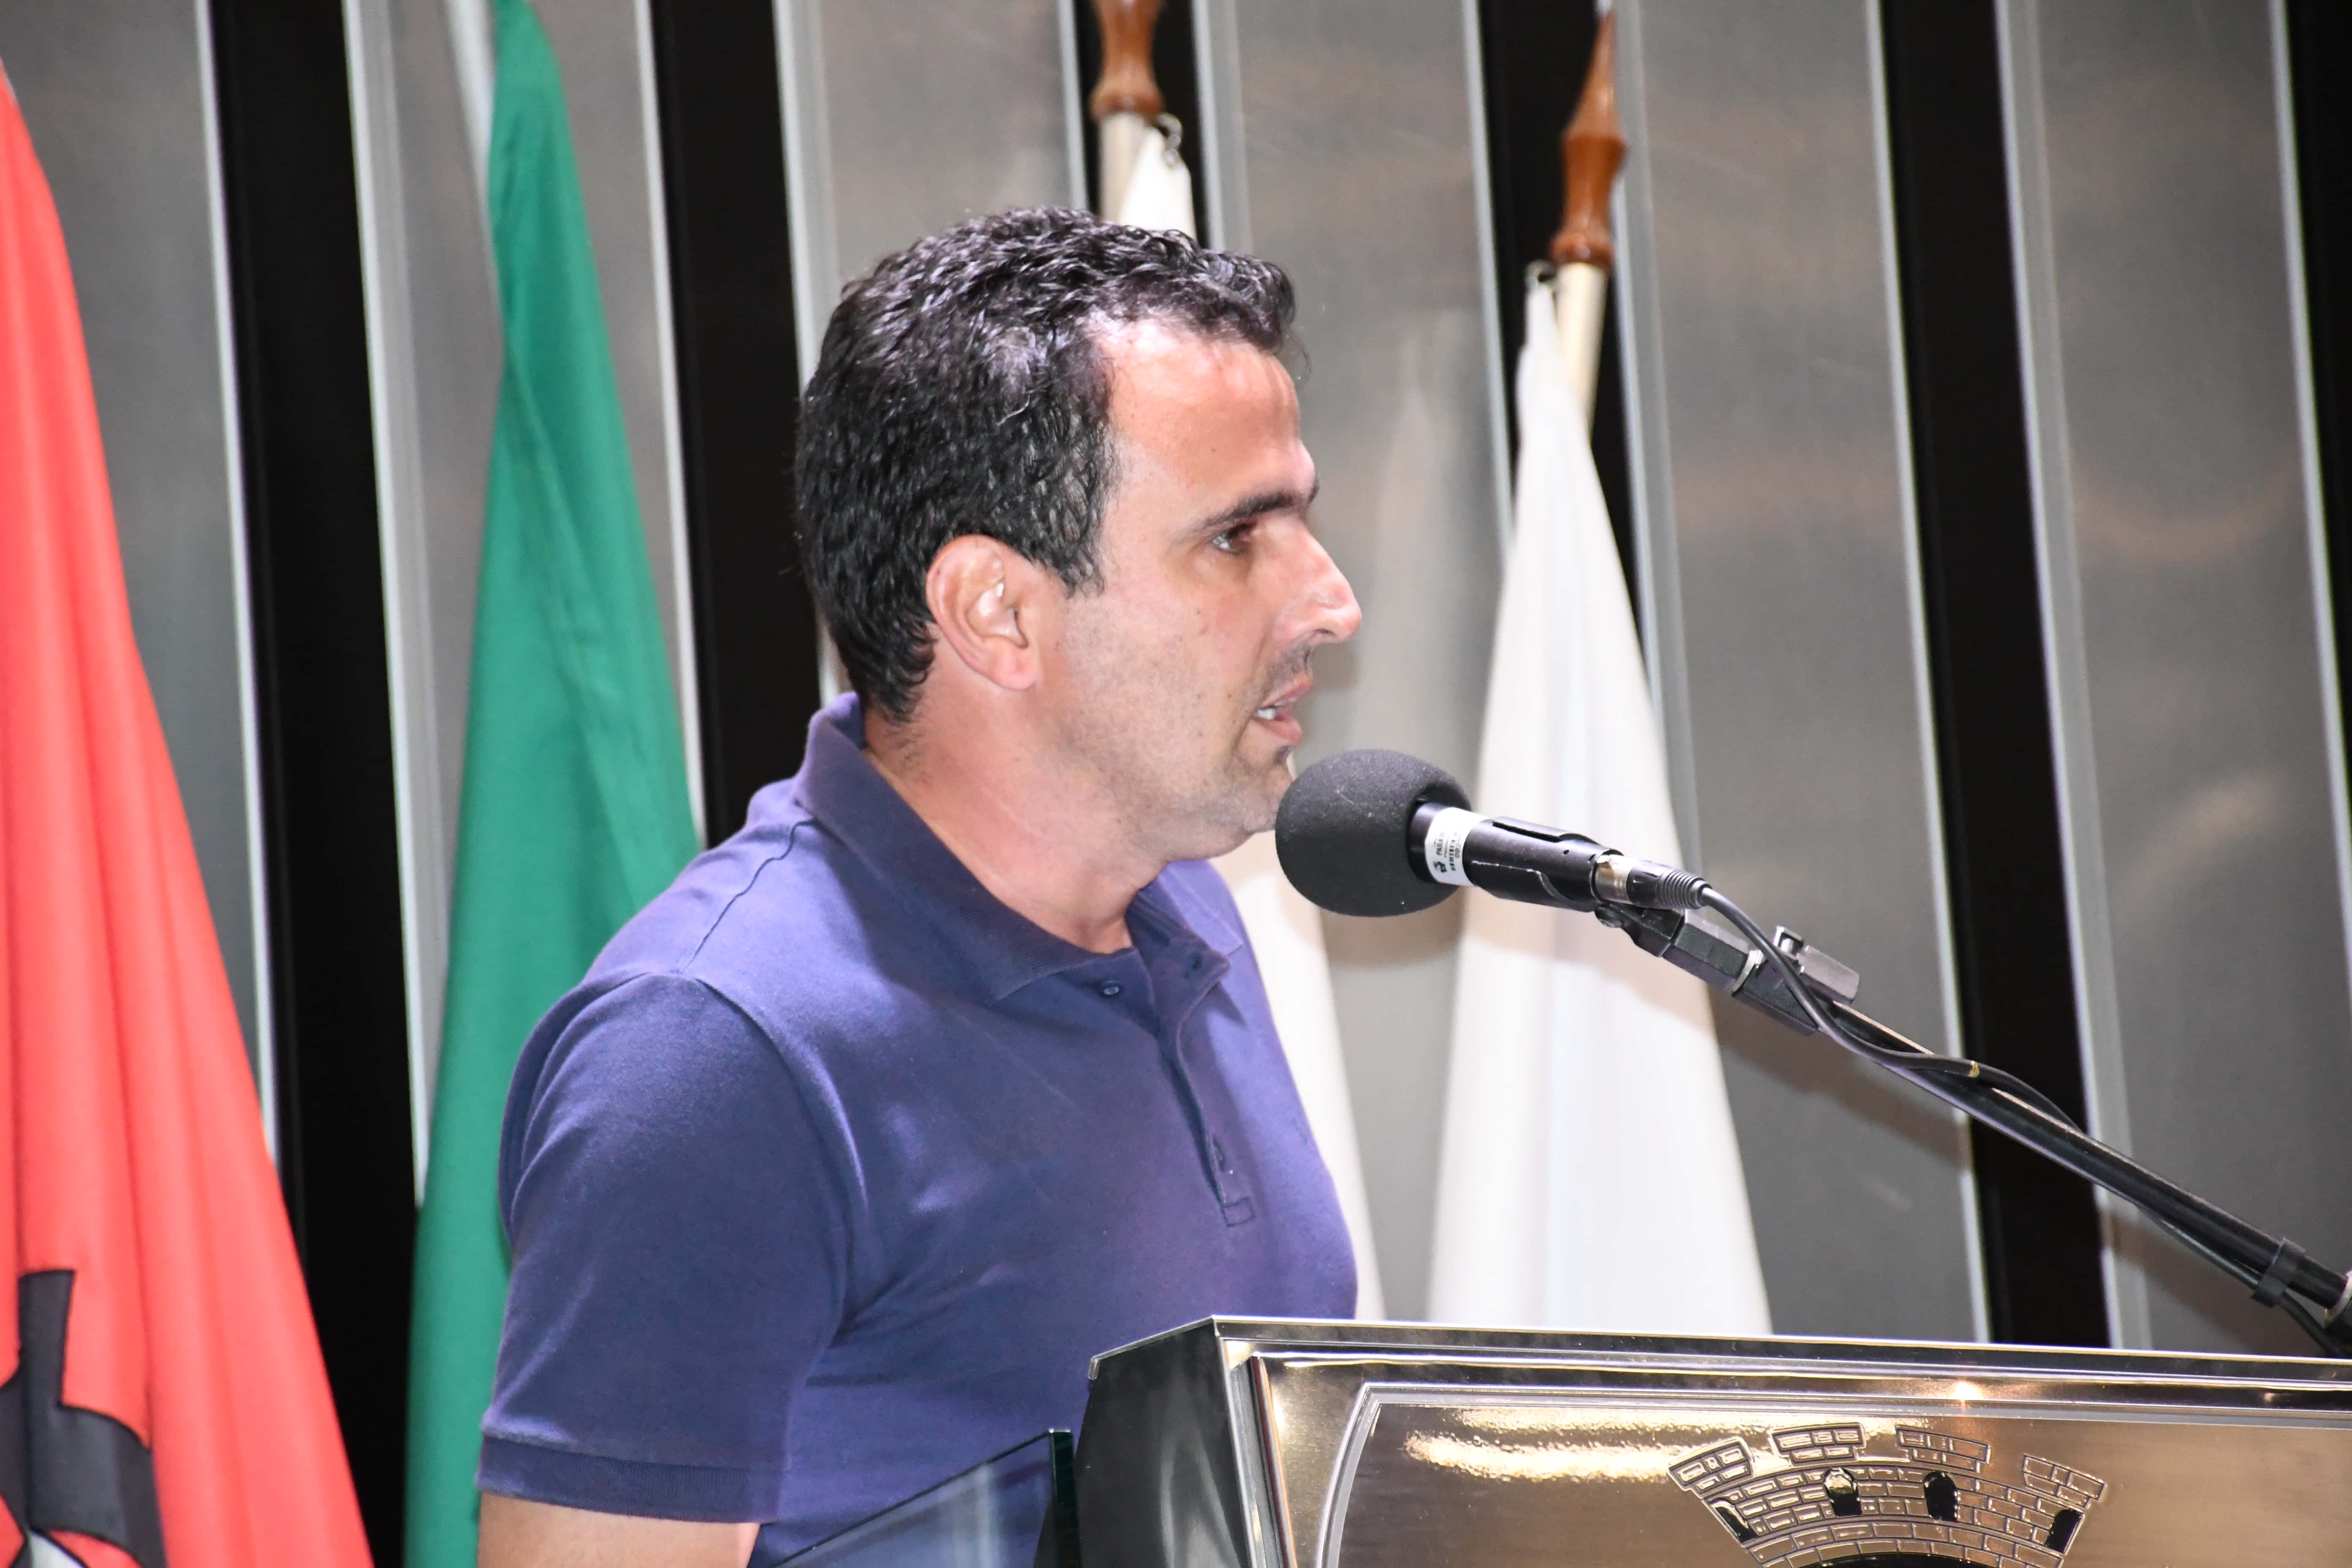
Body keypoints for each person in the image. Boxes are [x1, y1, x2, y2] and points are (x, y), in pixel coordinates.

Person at [476, 208, 1364, 1567]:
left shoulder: (1187, 909)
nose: (1331, 601)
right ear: (997, 614)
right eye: (1239, 537)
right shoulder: (713, 1054)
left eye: (1302, 516)